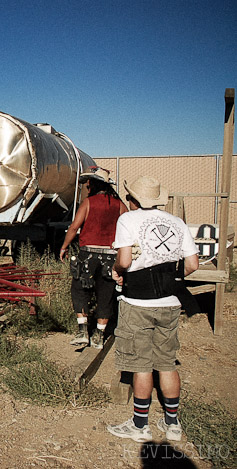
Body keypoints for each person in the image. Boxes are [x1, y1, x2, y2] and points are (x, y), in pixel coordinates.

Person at [107, 176, 199, 443]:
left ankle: (140, 426)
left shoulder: (127, 220)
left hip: (138, 303)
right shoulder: (176, 223)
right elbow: (192, 265)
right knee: (167, 363)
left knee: (142, 365)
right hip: (170, 303)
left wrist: (116, 271)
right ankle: (172, 424)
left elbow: (124, 259)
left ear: (133, 199)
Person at [60, 167, 128, 348]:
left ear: (95, 185)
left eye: (89, 184)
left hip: (88, 255)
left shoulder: (88, 203)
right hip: (110, 256)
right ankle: (99, 335)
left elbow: (74, 227)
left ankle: (82, 332)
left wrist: (64, 246)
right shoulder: (120, 205)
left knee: (80, 290)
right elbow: (128, 229)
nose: (87, 187)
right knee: (105, 294)